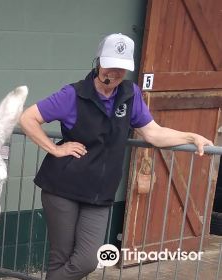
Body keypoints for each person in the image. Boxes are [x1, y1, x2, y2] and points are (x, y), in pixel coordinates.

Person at [19, 33, 214, 280]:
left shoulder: (130, 95)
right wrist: (56, 149)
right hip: (62, 188)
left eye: (123, 68)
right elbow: (27, 118)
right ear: (99, 62)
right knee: (61, 256)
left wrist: (190, 136)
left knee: (87, 260)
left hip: (100, 193)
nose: (117, 73)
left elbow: (154, 134)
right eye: (112, 65)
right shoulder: (73, 94)